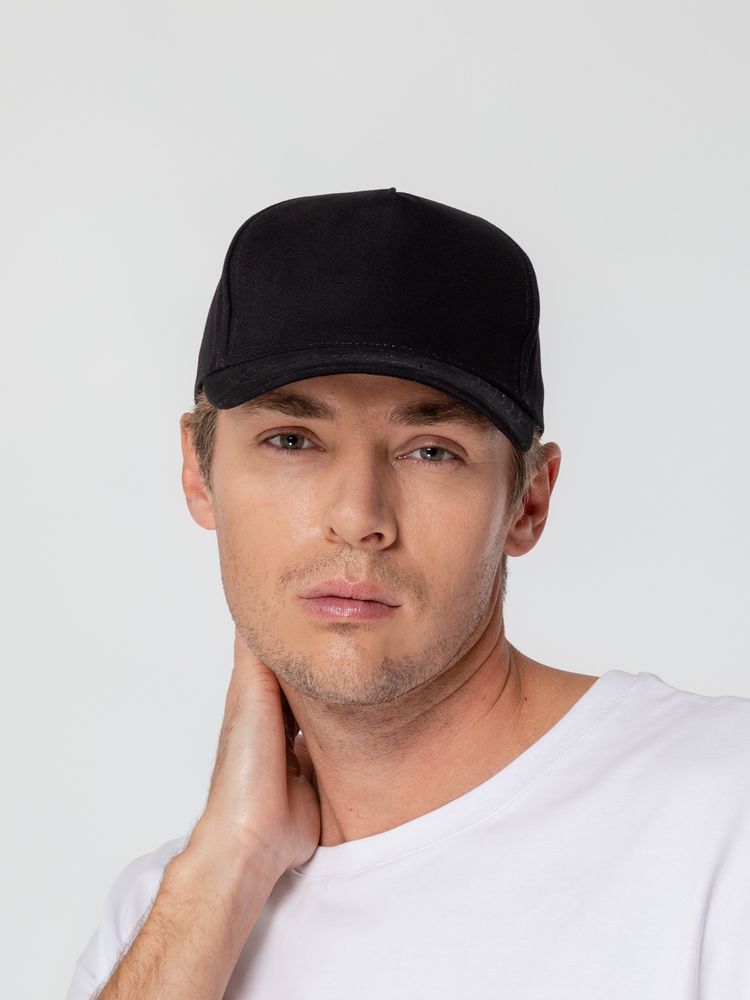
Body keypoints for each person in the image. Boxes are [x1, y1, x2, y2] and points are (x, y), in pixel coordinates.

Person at [66, 188, 750, 999]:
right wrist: (230, 860)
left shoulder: (721, 813)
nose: (359, 517)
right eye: (292, 440)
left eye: (430, 450)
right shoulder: (171, 913)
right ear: (198, 471)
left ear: (529, 501)